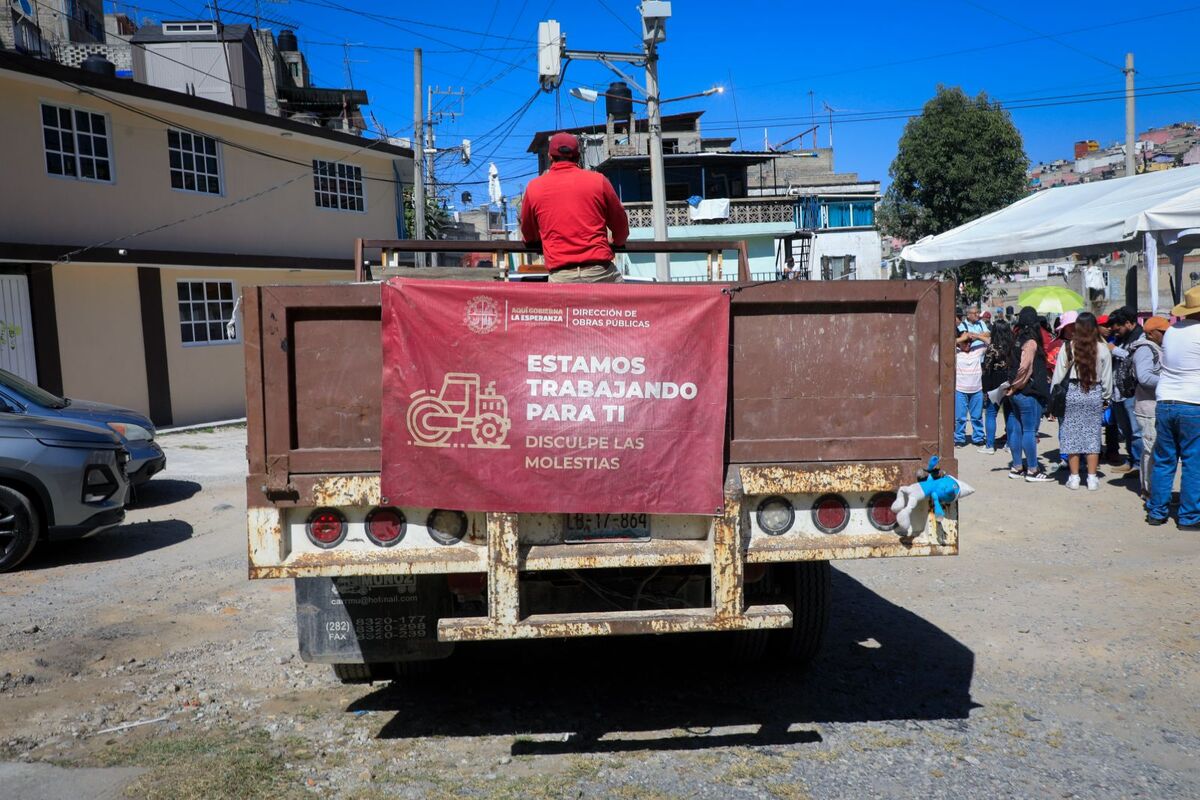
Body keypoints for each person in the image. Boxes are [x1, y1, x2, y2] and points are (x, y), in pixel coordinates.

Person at [519, 132, 629, 283]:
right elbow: (620, 224)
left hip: (561, 277)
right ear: (578, 156)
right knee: (626, 304)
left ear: (550, 157)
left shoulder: (534, 187)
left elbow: (528, 233)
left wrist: (539, 241)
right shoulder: (598, 181)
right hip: (600, 273)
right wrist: (617, 242)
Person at [1145, 287, 1200, 530]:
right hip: (1193, 402)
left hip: (1165, 400)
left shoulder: (1172, 332)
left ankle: (1157, 512)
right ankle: (1189, 516)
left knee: (1164, 459)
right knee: (1193, 461)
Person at [1051, 312, 1113, 491]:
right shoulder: (1103, 348)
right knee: (1093, 436)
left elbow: (1058, 375)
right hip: (1094, 392)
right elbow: (1107, 378)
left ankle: (1074, 477)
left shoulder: (1068, 347)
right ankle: (1092, 478)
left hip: (1072, 392)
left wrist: (1054, 397)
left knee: (1072, 436)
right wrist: (1106, 397)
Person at [1008, 306, 1053, 482]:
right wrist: (1016, 385)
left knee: (1017, 430)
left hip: (1016, 393)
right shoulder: (1031, 342)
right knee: (1029, 431)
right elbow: (1025, 368)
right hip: (1026, 392)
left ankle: (1017, 466)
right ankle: (1033, 470)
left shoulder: (1016, 339)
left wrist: (1012, 387)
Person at [1107, 307, 1145, 475]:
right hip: (1118, 393)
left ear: (1129, 323)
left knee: (1136, 430)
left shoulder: (1141, 337)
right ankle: (1131, 460)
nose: (1116, 332)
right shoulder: (1122, 339)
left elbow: (1134, 357)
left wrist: (1113, 350)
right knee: (1126, 430)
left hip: (1132, 393)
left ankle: (1139, 464)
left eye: (1119, 328)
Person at [1133, 316, 1168, 498]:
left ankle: (1154, 489)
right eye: (1163, 332)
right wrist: (1170, 380)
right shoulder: (1145, 350)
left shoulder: (1156, 347)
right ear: (1152, 334)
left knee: (1155, 450)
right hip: (1147, 408)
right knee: (1150, 450)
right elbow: (1144, 377)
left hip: (1155, 406)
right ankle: (1148, 490)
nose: (1166, 335)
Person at [980, 318, 1016, 454]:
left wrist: (985, 388)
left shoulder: (993, 347)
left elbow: (987, 368)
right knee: (1010, 413)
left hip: (994, 382)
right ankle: (1010, 444)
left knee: (991, 413)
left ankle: (989, 446)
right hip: (1009, 381)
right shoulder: (1013, 346)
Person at [955, 338, 985, 447]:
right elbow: (946, 344)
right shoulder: (956, 352)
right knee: (960, 417)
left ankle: (978, 438)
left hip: (977, 390)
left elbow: (990, 341)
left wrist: (975, 335)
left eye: (969, 342)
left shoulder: (976, 350)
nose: (968, 344)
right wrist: (961, 339)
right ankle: (959, 438)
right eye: (965, 342)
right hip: (960, 390)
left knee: (977, 417)